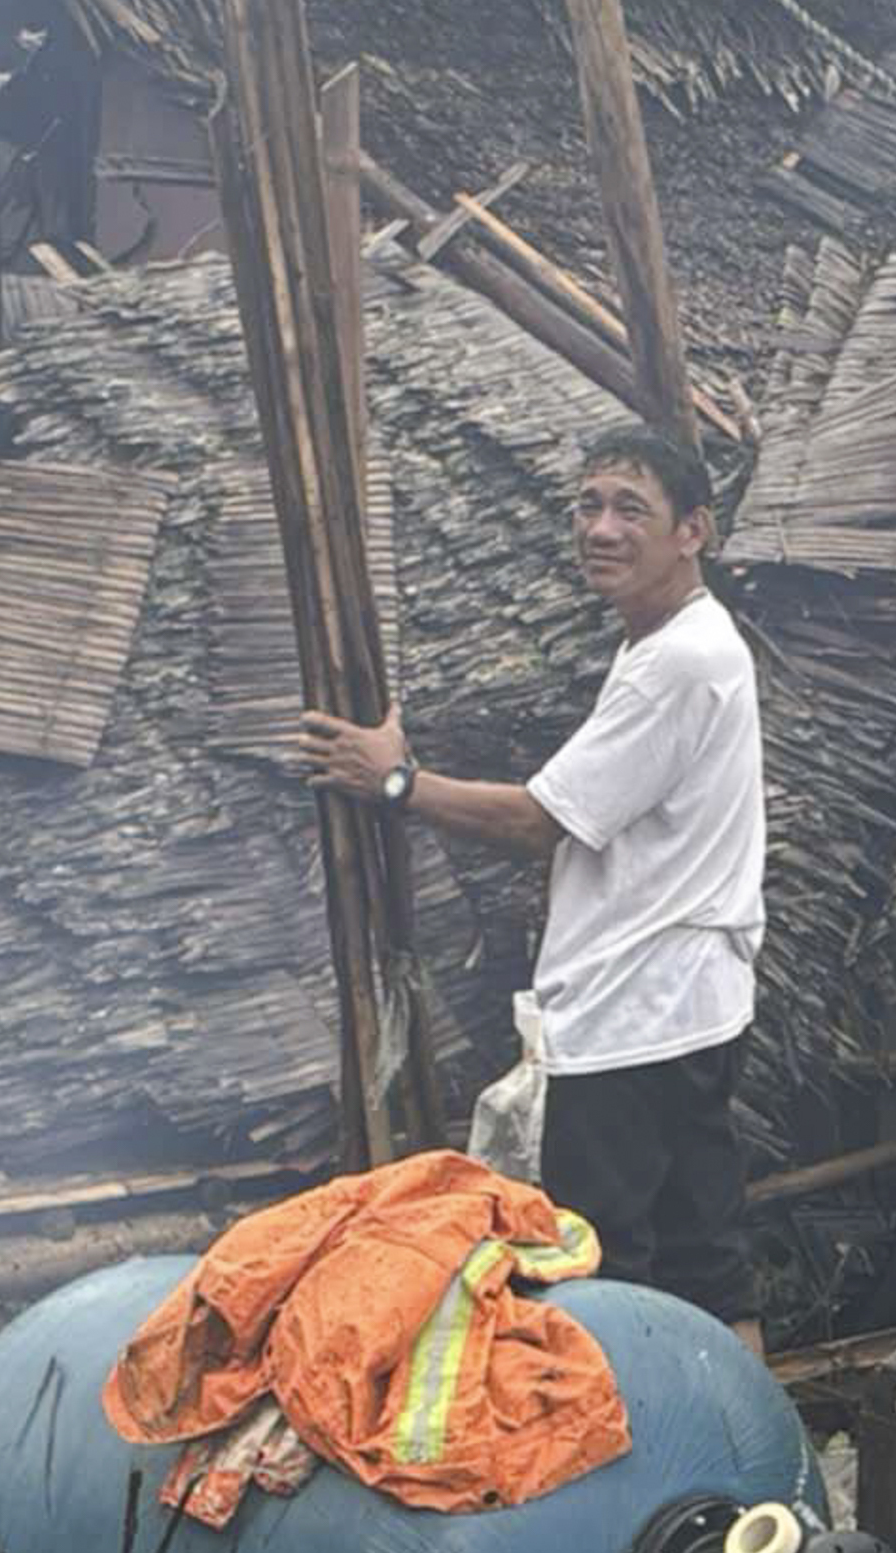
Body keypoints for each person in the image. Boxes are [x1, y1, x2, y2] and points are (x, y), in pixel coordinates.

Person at [297, 425, 768, 1345]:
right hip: (689, 1005)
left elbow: (537, 820)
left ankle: (634, 1463)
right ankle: (753, 1456)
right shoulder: (679, 642)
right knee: (707, 1257)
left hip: (636, 1016)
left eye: (631, 509)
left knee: (605, 1272)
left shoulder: (679, 663)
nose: (601, 528)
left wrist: (395, 782)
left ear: (693, 531)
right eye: (588, 505)